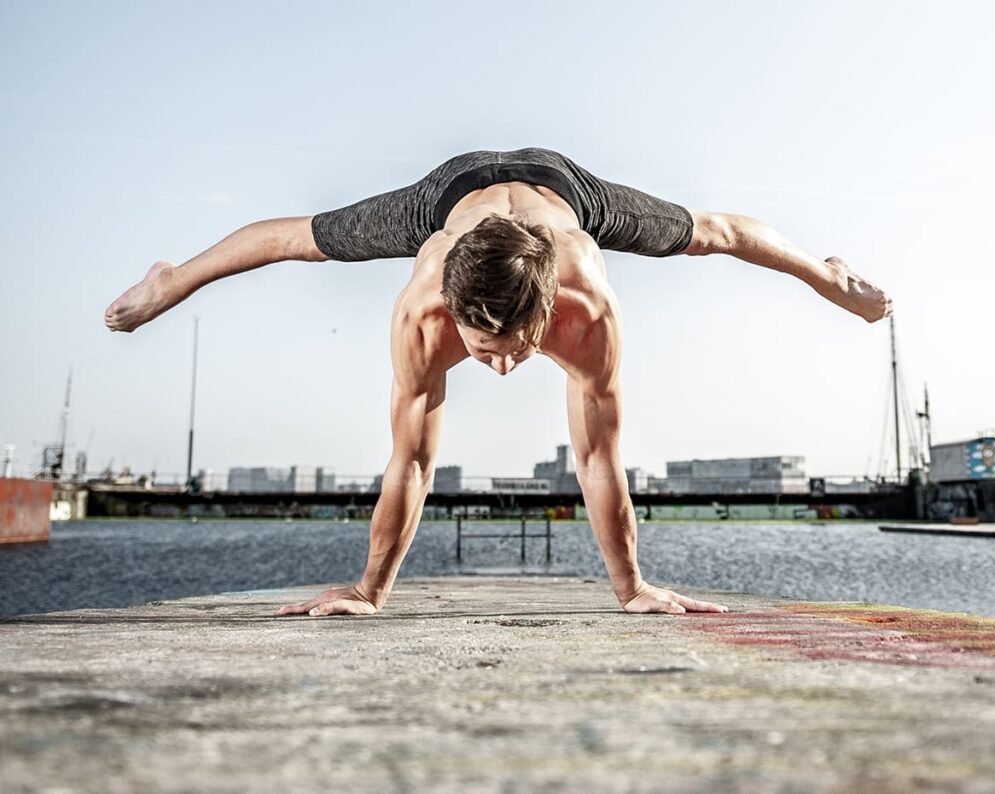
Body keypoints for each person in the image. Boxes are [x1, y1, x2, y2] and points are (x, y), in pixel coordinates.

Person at [105, 147, 892, 618]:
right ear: (452, 314)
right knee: (303, 242)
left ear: (552, 311)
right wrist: (368, 591)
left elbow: (598, 457)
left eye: (519, 347)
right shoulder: (422, 312)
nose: (508, 366)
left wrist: (632, 589)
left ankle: (824, 272)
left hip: (562, 189)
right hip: (451, 195)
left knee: (709, 235)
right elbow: (410, 459)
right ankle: (172, 278)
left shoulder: (589, 310)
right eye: (485, 351)